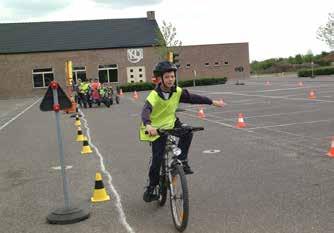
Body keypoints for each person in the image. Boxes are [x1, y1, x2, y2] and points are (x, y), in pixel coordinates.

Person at [139, 61, 224, 202]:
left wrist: (213, 102)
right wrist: (148, 125)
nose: (170, 79)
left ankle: (181, 160)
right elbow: (145, 111)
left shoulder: (177, 91)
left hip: (171, 122)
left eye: (172, 76)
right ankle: (151, 187)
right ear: (160, 79)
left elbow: (194, 98)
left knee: (188, 131)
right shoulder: (154, 95)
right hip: (155, 129)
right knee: (157, 160)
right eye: (167, 77)